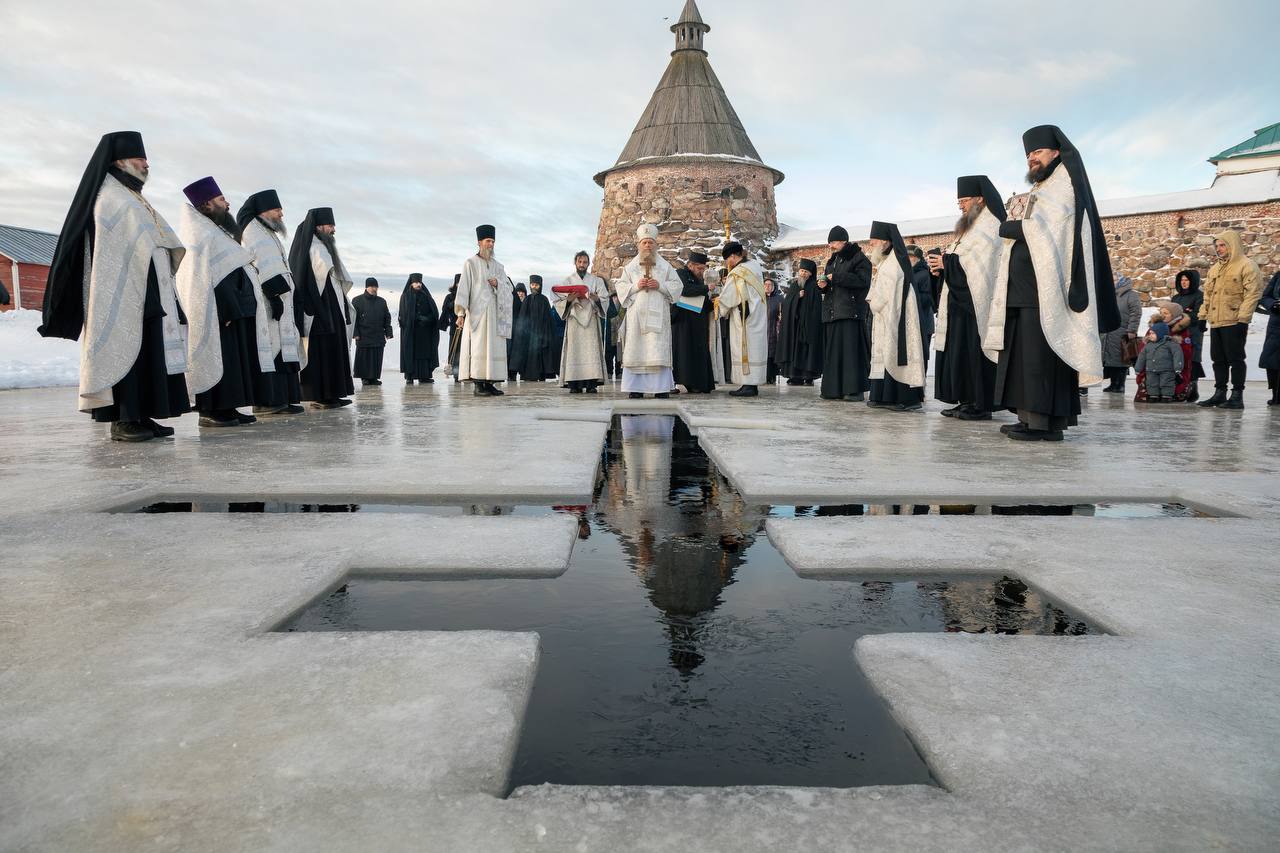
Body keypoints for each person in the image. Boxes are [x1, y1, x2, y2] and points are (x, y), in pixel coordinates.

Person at [40, 131, 189, 442]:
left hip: (149, 290)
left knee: (148, 354)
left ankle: (142, 414)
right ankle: (123, 420)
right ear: (120, 161)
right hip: (121, 294)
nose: (146, 164)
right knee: (126, 352)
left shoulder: (132, 196)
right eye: (140, 158)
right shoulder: (110, 197)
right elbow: (113, 249)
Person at [987, 125, 1120, 441]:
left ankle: (1045, 424)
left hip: (1044, 293)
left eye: (1037, 152)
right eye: (1029, 154)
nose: (1032, 159)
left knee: (1040, 361)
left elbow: (1053, 232)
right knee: (1021, 359)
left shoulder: (1064, 186)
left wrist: (1016, 228)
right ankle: (1027, 417)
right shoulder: (1041, 188)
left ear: (1057, 152)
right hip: (1021, 292)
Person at [175, 177, 271, 428]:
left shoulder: (216, 230)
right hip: (218, 309)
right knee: (218, 358)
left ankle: (229, 407)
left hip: (235, 306)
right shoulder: (200, 233)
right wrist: (227, 307)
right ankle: (212, 410)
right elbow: (206, 277)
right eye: (221, 199)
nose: (227, 203)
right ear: (206, 204)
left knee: (233, 361)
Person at [930, 175, 1006, 420]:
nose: (961, 206)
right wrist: (943, 267)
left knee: (975, 352)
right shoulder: (968, 228)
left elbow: (982, 262)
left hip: (977, 303)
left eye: (964, 200)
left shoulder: (990, 224)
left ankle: (981, 404)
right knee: (959, 353)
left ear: (980, 199)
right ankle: (966, 399)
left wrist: (948, 262)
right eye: (958, 202)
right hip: (958, 302)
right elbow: (960, 260)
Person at [237, 189, 305, 416]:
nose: (281, 214)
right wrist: (275, 296)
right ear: (263, 211)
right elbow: (263, 264)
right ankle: (267, 401)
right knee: (271, 348)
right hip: (268, 301)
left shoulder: (267, 232)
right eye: (277, 210)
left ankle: (283, 398)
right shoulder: (253, 232)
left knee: (283, 347)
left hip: (281, 299)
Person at [290, 207, 355, 409]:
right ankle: (319, 395)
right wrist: (318, 308)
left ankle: (332, 393)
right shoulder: (312, 247)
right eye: (330, 225)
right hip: (317, 308)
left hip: (330, 305)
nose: (333, 229)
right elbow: (308, 280)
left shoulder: (323, 246)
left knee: (333, 350)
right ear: (319, 226)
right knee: (319, 352)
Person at [1198, 230, 1263, 409]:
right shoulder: (1215, 268)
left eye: (1222, 245)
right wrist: (1203, 316)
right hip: (1216, 321)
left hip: (1234, 320)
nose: (1219, 249)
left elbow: (1253, 294)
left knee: (1235, 359)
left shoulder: (1246, 265)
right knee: (1218, 359)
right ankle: (1219, 393)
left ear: (1232, 245)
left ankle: (1237, 395)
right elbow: (1208, 295)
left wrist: (1243, 319)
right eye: (1217, 246)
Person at [616, 224, 681, 398]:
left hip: (658, 316)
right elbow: (620, 286)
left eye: (650, 242)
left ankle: (660, 389)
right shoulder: (631, 267)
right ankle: (636, 389)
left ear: (655, 244)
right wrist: (636, 286)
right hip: (637, 317)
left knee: (656, 351)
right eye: (644, 242)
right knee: (637, 350)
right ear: (639, 244)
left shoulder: (665, 266)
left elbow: (677, 286)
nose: (647, 246)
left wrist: (660, 286)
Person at [866, 222, 926, 412]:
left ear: (884, 241)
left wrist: (873, 302)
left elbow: (886, 291)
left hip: (896, 315)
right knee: (886, 353)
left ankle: (905, 398)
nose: (870, 245)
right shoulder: (888, 260)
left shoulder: (894, 263)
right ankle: (884, 395)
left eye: (873, 241)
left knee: (896, 352)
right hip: (888, 314)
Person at [456, 224, 514, 397]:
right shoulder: (470, 264)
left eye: (493, 241)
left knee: (494, 348)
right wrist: (460, 313)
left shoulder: (498, 266)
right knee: (479, 347)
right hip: (477, 314)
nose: (491, 244)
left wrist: (498, 284)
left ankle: (490, 383)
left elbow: (508, 287)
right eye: (488, 241)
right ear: (479, 242)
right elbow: (464, 288)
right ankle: (478, 384)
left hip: (495, 314)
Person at [818, 227, 872, 401]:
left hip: (851, 312)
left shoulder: (858, 258)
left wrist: (838, 277)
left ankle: (854, 390)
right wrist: (824, 285)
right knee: (834, 355)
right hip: (833, 313)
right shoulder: (832, 260)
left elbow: (863, 281)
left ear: (843, 241)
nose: (831, 246)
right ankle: (833, 389)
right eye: (830, 242)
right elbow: (832, 282)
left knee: (851, 354)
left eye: (833, 242)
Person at [717, 241, 768, 397]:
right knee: (755, 349)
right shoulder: (754, 266)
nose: (727, 264)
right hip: (758, 315)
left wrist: (718, 305)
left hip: (744, 317)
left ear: (733, 256)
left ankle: (748, 385)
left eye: (727, 260)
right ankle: (752, 384)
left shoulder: (738, 273)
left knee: (744, 348)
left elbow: (729, 298)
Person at [554, 251, 610, 393]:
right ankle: (575, 384)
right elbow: (557, 299)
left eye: (585, 262)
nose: (582, 265)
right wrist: (569, 300)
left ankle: (591, 384)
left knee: (591, 351)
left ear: (588, 263)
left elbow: (605, 299)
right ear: (575, 263)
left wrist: (596, 298)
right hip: (574, 320)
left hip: (591, 318)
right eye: (580, 262)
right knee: (575, 351)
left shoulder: (596, 281)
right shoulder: (568, 281)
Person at [671, 251, 716, 393]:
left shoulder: (699, 279)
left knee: (698, 351)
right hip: (683, 322)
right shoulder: (681, 274)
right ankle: (682, 381)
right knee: (684, 351)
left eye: (703, 269)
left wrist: (713, 303)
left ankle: (697, 383)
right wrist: (706, 288)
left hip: (698, 322)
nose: (701, 272)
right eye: (699, 268)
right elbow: (685, 290)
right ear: (690, 265)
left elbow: (702, 298)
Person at [777, 259, 824, 386]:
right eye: (801, 271)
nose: (803, 274)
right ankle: (795, 376)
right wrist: (797, 297)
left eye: (806, 271)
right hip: (795, 326)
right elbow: (786, 305)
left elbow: (817, 308)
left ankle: (808, 376)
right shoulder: (794, 286)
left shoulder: (814, 287)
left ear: (810, 274)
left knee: (807, 351)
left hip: (809, 326)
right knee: (794, 350)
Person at [1101, 276, 1143, 393]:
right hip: (1110, 332)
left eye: (1115, 280)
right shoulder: (1111, 294)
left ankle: (1120, 385)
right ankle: (1113, 384)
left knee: (1122, 360)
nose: (1112, 282)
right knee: (1112, 359)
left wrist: (1132, 330)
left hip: (1123, 332)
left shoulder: (1131, 295)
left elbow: (1136, 313)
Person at [512, 275, 558, 382]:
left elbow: (548, 319)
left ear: (540, 286)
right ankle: (528, 375)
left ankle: (541, 374)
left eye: (536, 285)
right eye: (532, 284)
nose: (534, 287)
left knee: (541, 355)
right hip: (529, 335)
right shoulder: (527, 300)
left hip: (541, 334)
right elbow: (522, 318)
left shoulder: (544, 300)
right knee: (529, 354)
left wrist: (546, 334)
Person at [1171, 270, 1205, 401]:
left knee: (1192, 359)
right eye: (1182, 280)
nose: (1184, 283)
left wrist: (1180, 318)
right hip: (1176, 333)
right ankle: (1178, 389)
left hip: (1192, 333)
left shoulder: (1199, 296)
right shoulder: (1176, 298)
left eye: (1186, 280)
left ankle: (1192, 389)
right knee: (1178, 360)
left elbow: (1196, 315)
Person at [399, 273, 439, 385]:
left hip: (425, 331)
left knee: (425, 353)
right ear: (411, 283)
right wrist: (417, 318)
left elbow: (434, 312)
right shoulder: (406, 296)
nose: (418, 284)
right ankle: (410, 376)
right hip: (412, 331)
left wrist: (428, 318)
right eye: (416, 282)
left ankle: (424, 376)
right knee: (411, 353)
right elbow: (404, 313)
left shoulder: (426, 295)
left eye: (420, 282)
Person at [351, 278, 393, 386]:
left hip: (378, 334)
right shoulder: (357, 300)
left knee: (376, 357)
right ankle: (365, 378)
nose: (374, 289)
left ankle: (374, 378)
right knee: (364, 358)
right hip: (363, 335)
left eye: (376, 287)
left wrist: (388, 332)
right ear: (366, 287)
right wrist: (355, 333)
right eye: (372, 287)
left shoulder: (382, 301)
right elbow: (353, 319)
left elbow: (387, 318)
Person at [1135, 322, 1183, 403]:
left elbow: (1177, 355)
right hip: (1151, 369)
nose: (1150, 335)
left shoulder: (1171, 344)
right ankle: (1153, 395)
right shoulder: (1148, 345)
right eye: (1150, 333)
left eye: (1153, 333)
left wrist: (1178, 367)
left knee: (1166, 382)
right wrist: (1138, 368)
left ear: (1161, 334)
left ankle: (1166, 396)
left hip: (1167, 369)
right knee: (1151, 383)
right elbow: (1141, 357)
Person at [905, 245, 935, 369]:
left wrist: (908, 298)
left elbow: (928, 298)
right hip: (911, 321)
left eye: (911, 256)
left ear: (917, 258)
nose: (908, 259)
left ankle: (920, 386)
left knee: (921, 356)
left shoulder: (924, 273)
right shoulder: (907, 273)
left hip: (923, 321)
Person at [1257, 269, 1280, 406]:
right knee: (1272, 360)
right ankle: (1276, 394)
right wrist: (1273, 305)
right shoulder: (1278, 275)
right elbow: (1265, 297)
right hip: (1276, 326)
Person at [439, 274, 462, 382]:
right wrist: (453, 304)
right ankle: (456, 374)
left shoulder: (469, 295)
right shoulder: (449, 296)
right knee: (454, 350)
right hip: (455, 326)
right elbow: (445, 309)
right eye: (458, 283)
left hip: (467, 328)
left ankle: (466, 373)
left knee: (465, 351)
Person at [764, 276, 784, 383]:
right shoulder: (760, 298)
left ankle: (773, 376)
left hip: (775, 328)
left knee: (773, 354)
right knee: (764, 353)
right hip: (763, 328)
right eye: (766, 285)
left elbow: (783, 312)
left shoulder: (779, 298)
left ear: (773, 287)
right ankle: (764, 376)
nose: (767, 287)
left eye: (770, 285)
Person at [507, 282, 527, 380]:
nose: (520, 293)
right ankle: (512, 374)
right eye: (518, 291)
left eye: (522, 292)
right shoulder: (513, 302)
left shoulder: (527, 302)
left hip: (524, 331)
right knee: (511, 352)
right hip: (513, 330)